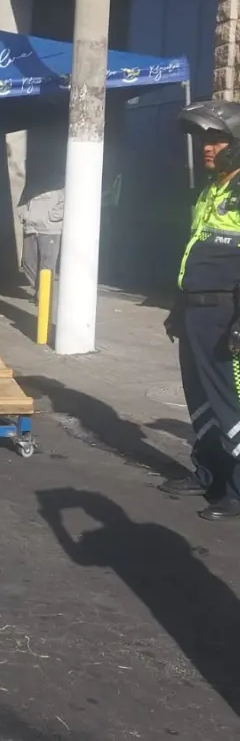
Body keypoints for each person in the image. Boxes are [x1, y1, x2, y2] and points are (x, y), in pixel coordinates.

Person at [159, 100, 240, 521]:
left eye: (216, 139)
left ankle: (237, 489)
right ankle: (208, 472)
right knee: (200, 397)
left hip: (226, 313)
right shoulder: (211, 190)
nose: (206, 147)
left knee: (231, 400)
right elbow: (193, 252)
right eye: (203, 140)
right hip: (196, 310)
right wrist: (178, 306)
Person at [17, 188, 65, 303]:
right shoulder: (34, 183)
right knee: (27, 262)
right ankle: (39, 289)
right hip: (31, 228)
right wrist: (25, 215)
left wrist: (52, 216)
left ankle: (43, 296)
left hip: (50, 229)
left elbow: (68, 202)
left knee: (47, 265)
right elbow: (23, 201)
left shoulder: (60, 182)